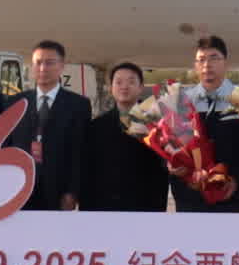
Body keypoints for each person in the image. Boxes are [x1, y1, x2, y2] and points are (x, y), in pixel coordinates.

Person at [77, 61, 172, 213]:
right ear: (111, 88)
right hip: (103, 206)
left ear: (141, 87)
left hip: (145, 206)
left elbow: (162, 169)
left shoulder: (157, 124)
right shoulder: (96, 126)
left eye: (131, 82)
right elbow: (87, 170)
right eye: (119, 82)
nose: (124, 86)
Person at [177, 40, 239, 211]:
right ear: (195, 65)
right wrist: (175, 167)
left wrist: (236, 178)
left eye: (214, 58)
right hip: (190, 194)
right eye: (201, 59)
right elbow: (169, 142)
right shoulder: (182, 101)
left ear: (226, 63)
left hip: (230, 194)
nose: (207, 65)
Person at [18, 42, 87, 211]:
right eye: (38, 62)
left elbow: (79, 151)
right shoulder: (16, 102)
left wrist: (72, 191)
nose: (43, 68)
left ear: (62, 66)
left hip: (58, 189)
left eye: (49, 63)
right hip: (20, 187)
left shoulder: (78, 105)